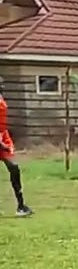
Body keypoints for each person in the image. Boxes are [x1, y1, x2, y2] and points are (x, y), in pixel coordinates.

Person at [0, 86, 32, 217]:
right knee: (14, 168)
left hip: (2, 136)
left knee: (14, 168)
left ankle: (21, 206)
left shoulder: (2, 104)